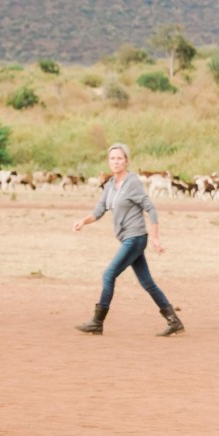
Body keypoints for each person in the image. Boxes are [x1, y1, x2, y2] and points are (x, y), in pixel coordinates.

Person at [73, 143, 184, 337]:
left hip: (136, 238)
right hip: (128, 238)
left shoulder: (132, 182)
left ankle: (97, 322)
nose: (115, 162)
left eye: (119, 158)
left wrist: (156, 238)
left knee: (109, 275)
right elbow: (99, 211)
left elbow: (151, 208)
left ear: (126, 161)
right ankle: (174, 320)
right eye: (112, 158)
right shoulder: (109, 185)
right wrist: (83, 221)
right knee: (147, 282)